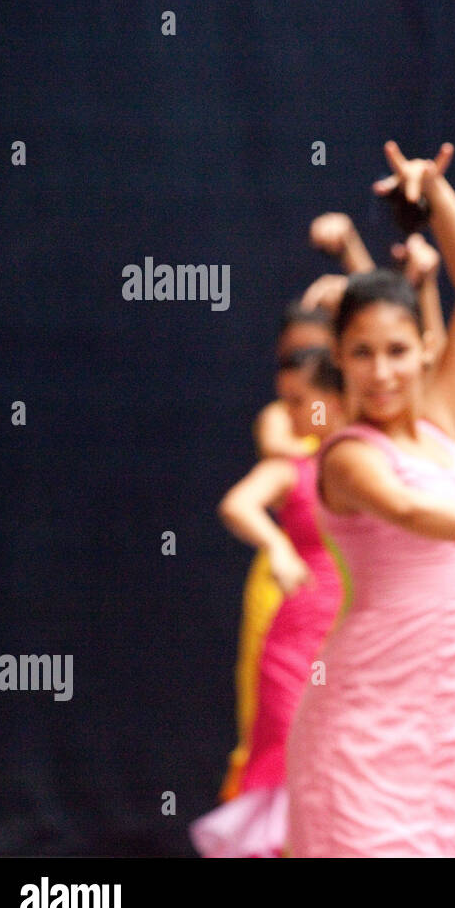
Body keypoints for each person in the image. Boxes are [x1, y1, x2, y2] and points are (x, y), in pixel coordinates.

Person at [285, 139, 455, 856]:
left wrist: (434, 196)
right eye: (360, 353)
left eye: (396, 350)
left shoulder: (442, 421)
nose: (381, 371)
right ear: (339, 361)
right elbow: (418, 515)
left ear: (422, 348)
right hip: (367, 724)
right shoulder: (347, 457)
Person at [191, 352, 347, 856]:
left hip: (356, 631)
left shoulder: (370, 465)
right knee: (288, 748)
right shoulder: (294, 467)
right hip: (298, 631)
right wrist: (278, 546)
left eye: (300, 401)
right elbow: (236, 504)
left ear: (332, 399)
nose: (291, 413)